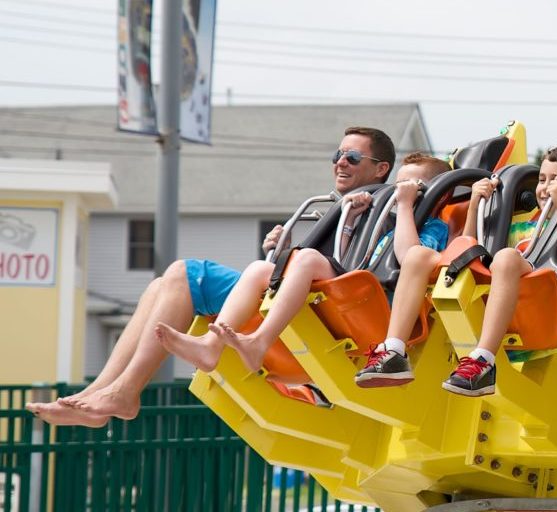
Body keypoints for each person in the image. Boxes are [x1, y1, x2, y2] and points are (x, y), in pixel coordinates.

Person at [26, 127, 396, 427]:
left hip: (323, 316)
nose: (340, 163)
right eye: (337, 156)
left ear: (381, 168)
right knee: (166, 282)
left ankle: (124, 392)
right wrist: (282, 246)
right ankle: (101, 393)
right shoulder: (336, 207)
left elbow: (354, 268)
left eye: (352, 157)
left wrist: (356, 217)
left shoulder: (384, 209)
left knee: (190, 273)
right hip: (293, 296)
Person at [158, 153, 452, 374]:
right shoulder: (388, 223)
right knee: (261, 269)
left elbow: (406, 257)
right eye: (399, 185)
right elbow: (347, 260)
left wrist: (403, 205)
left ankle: (260, 341)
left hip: (381, 306)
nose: (401, 191)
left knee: (309, 258)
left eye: (412, 186)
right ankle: (211, 347)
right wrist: (349, 221)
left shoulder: (435, 227)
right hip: (358, 292)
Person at [355, 146, 557, 397]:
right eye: (542, 179)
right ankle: (393, 351)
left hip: (541, 316)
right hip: (489, 310)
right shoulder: (521, 225)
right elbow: (466, 252)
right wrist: (474, 206)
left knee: (506, 257)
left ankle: (484, 362)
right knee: (417, 255)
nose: (545, 188)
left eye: (556, 180)